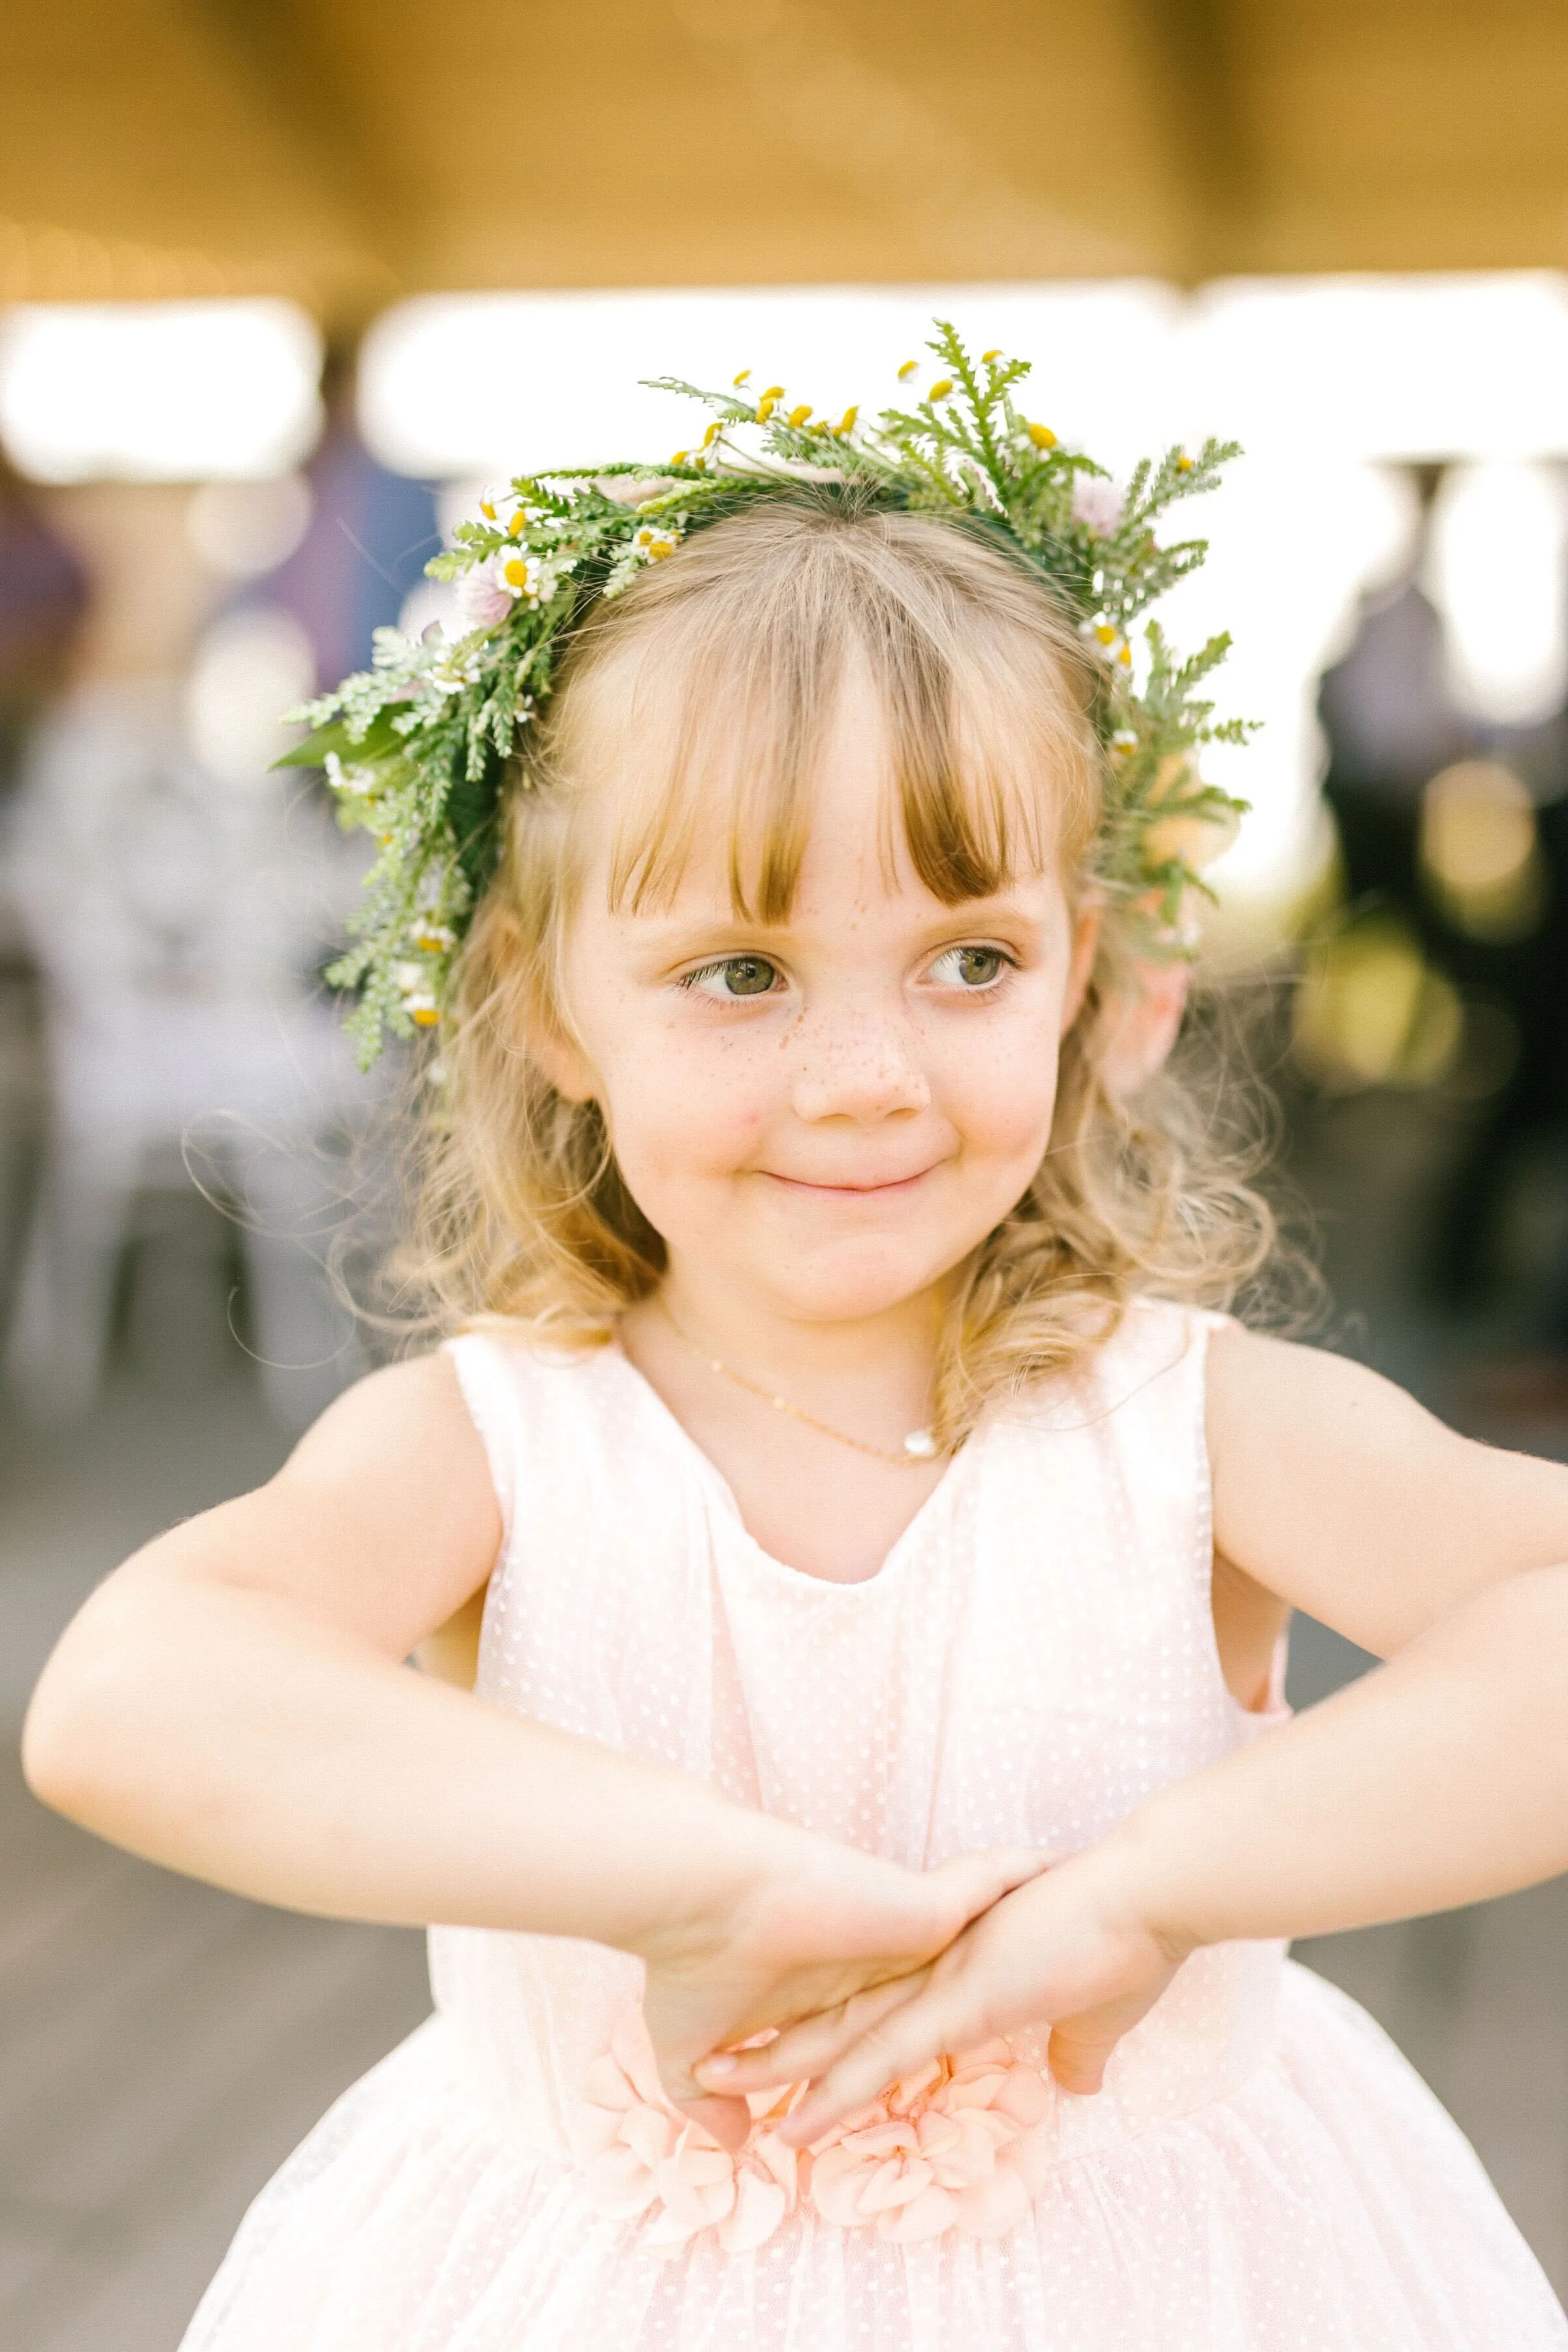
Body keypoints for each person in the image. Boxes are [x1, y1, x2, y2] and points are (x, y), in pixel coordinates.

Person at [20, 335, 1568, 2352]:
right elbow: (126, 1697)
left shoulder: (1195, 1432)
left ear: (1094, 983)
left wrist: (1157, 1891)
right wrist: (686, 1880)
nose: (863, 1077)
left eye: (970, 960)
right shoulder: (499, 1448)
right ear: (552, 1004)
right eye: (738, 970)